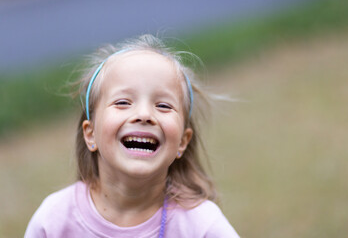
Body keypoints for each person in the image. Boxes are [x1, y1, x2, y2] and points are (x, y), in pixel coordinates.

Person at [25, 34, 240, 238]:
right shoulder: (54, 220)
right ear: (90, 135)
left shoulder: (201, 225)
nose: (144, 115)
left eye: (163, 105)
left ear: (183, 142)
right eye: (123, 102)